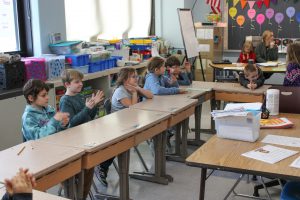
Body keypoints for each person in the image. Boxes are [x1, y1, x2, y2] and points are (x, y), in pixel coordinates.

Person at [59, 69, 104, 199]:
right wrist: (87, 108)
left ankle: (82, 196)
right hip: (75, 141)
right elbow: (71, 123)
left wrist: (94, 105)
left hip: (85, 137)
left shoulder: (79, 96)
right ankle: (77, 195)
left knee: (89, 167)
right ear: (67, 84)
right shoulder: (65, 101)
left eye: (81, 81)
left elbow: (88, 116)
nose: (81, 84)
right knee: (79, 173)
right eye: (77, 82)